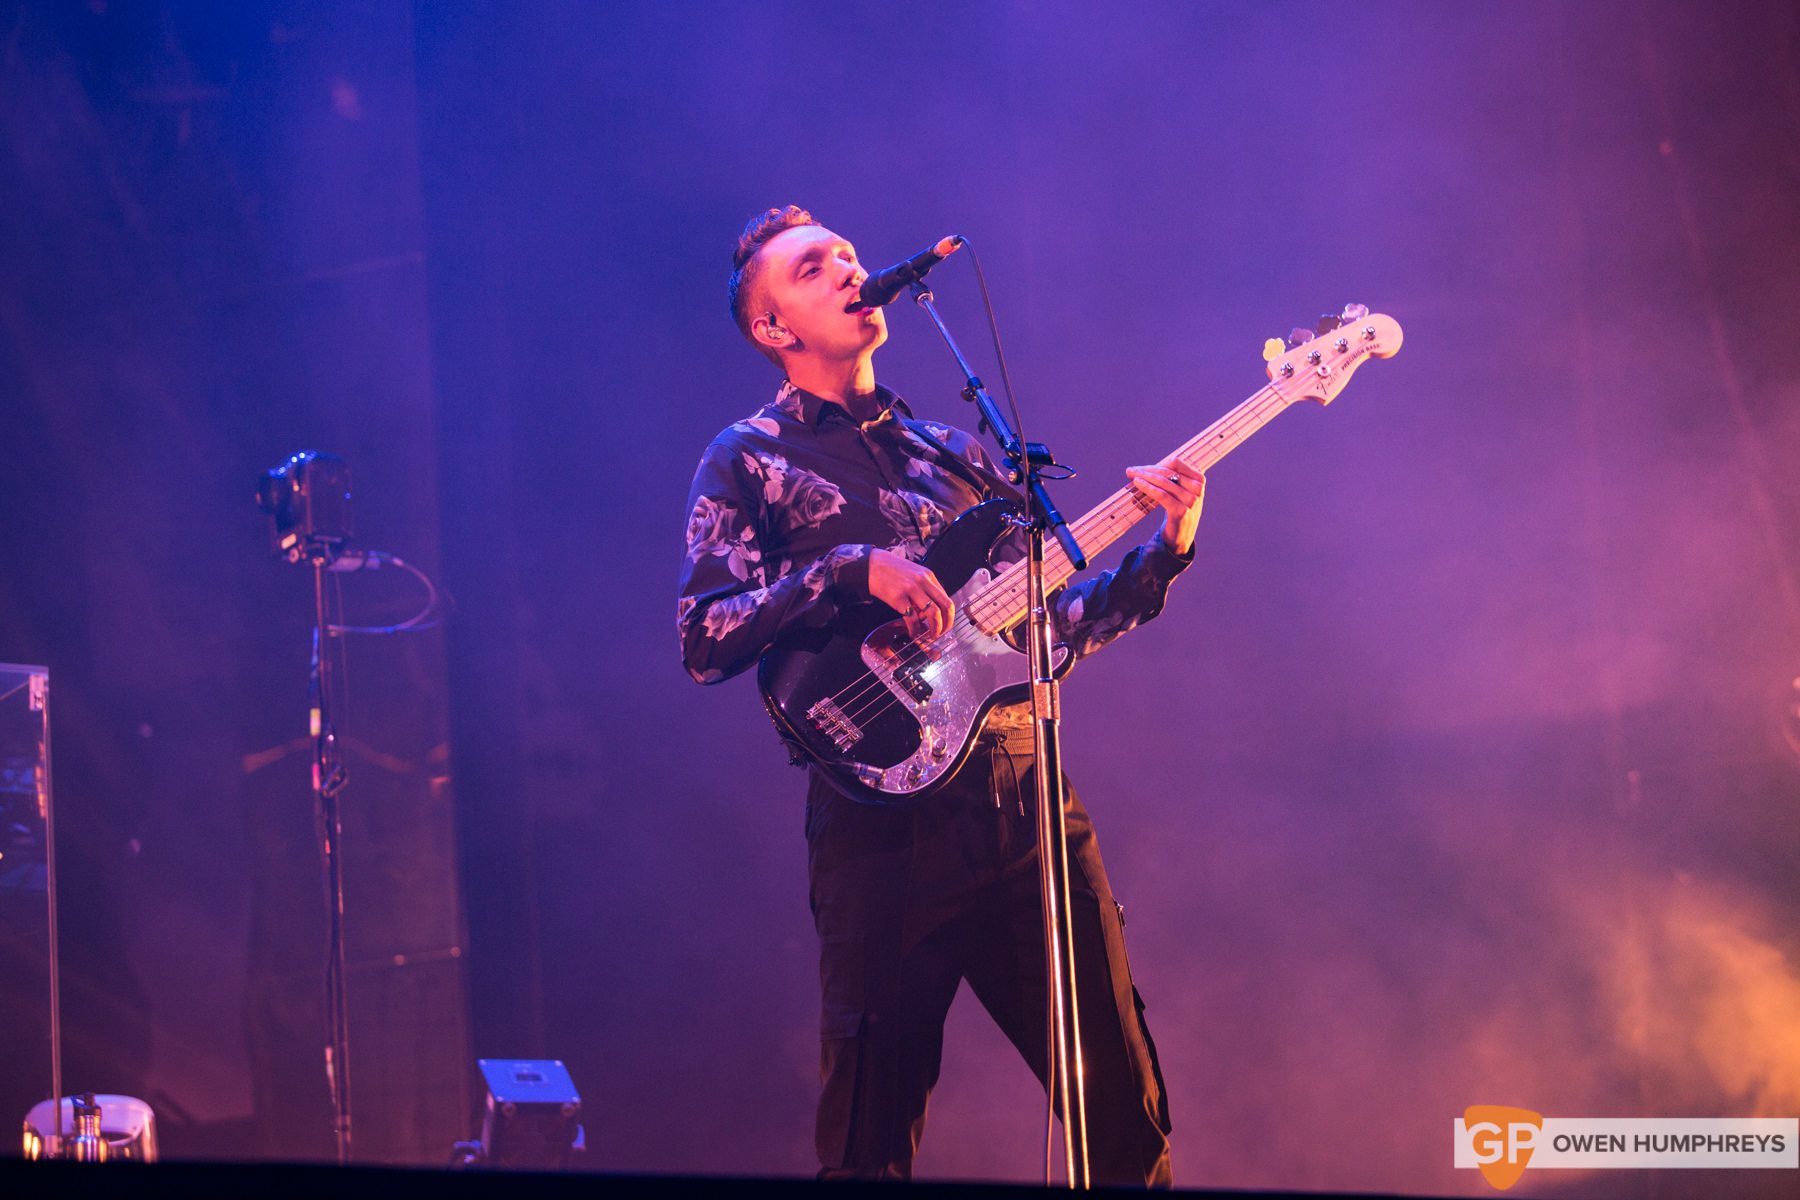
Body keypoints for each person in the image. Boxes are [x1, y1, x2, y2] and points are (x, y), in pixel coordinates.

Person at [676, 205, 1204, 1185]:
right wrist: (848, 572)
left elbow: (1052, 630)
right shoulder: (748, 459)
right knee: (868, 1150)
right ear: (773, 329)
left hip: (1024, 807)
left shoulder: (956, 453)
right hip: (880, 836)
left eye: (847, 252)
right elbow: (703, 637)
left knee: (1123, 1127)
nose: (846, 267)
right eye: (810, 267)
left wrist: (1166, 547)